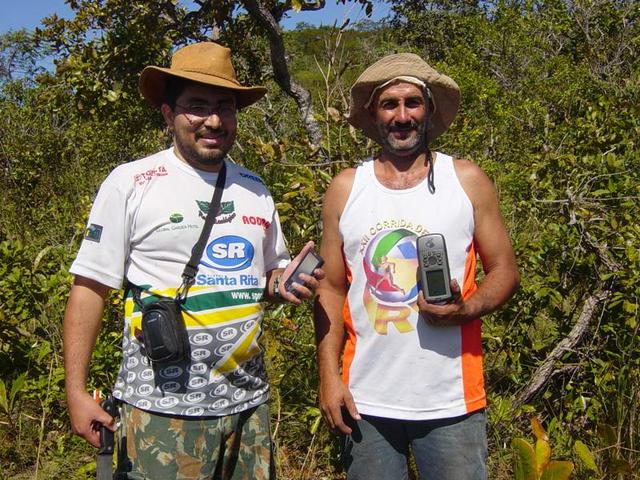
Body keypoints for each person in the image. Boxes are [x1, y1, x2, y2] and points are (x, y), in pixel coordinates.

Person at [64, 41, 323, 479]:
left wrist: (283, 283)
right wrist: (75, 391)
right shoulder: (131, 182)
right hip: (161, 412)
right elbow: (90, 288)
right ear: (168, 114)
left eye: (225, 106)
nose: (214, 120)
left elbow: (261, 277)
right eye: (197, 106)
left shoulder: (254, 187)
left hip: (248, 408)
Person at [313, 53, 519, 479]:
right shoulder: (347, 188)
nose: (402, 116)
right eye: (390, 104)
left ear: (428, 110)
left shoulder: (464, 180)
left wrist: (465, 309)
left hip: (451, 400)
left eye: (413, 103)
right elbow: (330, 289)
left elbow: (504, 272)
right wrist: (329, 378)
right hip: (365, 400)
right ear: (373, 113)